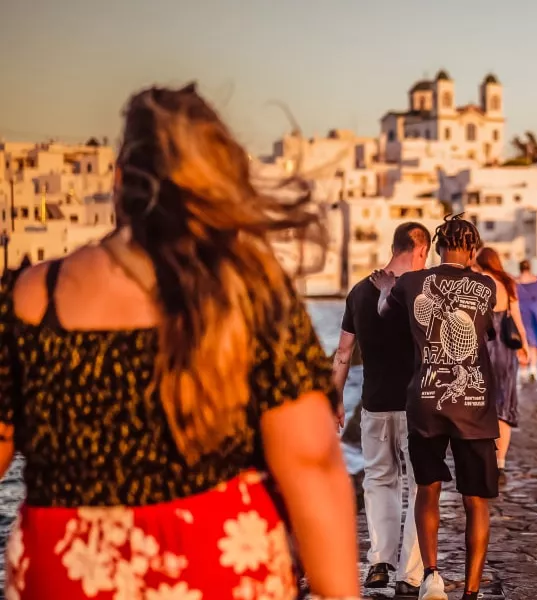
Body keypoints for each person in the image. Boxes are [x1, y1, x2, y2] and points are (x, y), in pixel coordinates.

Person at [0, 84, 359, 599]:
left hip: (69, 572)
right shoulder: (246, 293)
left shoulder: (33, 297)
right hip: (218, 563)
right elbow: (313, 465)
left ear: (119, 178)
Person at [373, 215, 499, 600]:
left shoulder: (411, 283)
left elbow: (384, 315)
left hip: (426, 400)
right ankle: (472, 593)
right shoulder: (486, 284)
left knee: (426, 489)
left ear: (439, 245)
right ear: (472, 248)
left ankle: (431, 577)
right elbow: (488, 328)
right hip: (474, 406)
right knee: (476, 499)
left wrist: (384, 289)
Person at [333, 222, 430, 594]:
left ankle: (379, 561)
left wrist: (336, 398)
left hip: (373, 405)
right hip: (413, 406)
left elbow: (343, 352)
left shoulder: (358, 291)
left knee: (378, 481)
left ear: (395, 246)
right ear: (420, 249)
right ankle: (409, 573)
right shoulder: (419, 290)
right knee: (421, 488)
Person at [473, 247, 532, 473]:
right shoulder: (508, 284)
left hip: (484, 348)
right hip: (506, 351)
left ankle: (484, 456)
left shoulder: (478, 283)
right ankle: (500, 461)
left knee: (482, 404)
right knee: (504, 406)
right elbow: (517, 320)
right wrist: (524, 347)